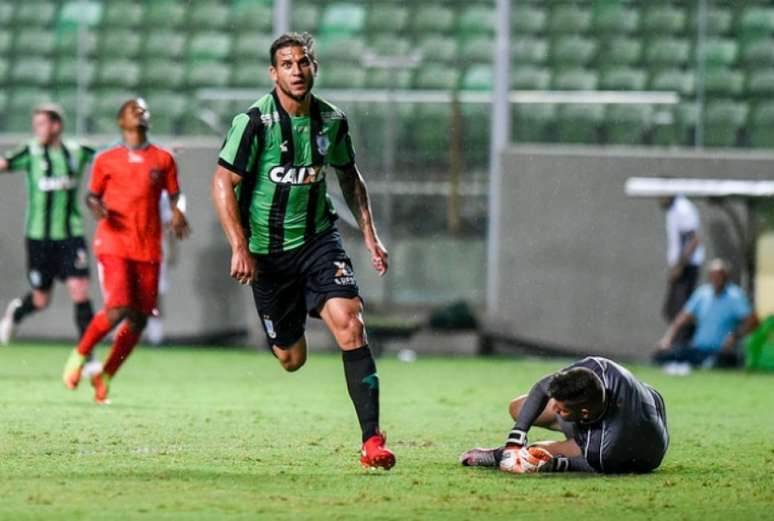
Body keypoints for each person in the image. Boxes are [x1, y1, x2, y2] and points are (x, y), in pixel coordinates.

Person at [211, 32, 395, 470]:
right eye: (288, 64)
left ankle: (372, 441)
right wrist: (239, 246)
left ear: (315, 67)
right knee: (291, 359)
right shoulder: (254, 122)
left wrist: (370, 235)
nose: (297, 71)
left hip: (317, 241)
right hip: (266, 254)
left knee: (351, 322)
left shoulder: (332, 121)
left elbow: (350, 178)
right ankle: (294, 325)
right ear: (274, 73)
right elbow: (222, 182)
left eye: (304, 62)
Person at [61, 98, 190, 404]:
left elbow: (175, 196)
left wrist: (178, 212)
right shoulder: (106, 158)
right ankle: (79, 356)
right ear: (121, 121)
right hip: (114, 242)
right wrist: (98, 208)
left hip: (148, 247)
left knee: (139, 319)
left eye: (145, 109)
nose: (140, 112)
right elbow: (92, 196)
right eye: (134, 109)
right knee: (118, 308)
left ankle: (104, 375)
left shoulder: (163, 159)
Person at [460, 356, 669, 474]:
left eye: (562, 409)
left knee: (535, 453)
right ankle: (517, 446)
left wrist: (553, 463)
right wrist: (517, 434)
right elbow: (544, 386)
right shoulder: (597, 368)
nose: (555, 410)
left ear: (584, 412)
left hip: (637, 449)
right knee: (518, 409)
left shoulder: (603, 448)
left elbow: (589, 464)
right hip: (644, 409)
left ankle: (494, 454)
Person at [0, 104, 96, 346]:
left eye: (42, 124)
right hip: (38, 238)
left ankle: (87, 356)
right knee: (41, 300)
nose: (37, 130)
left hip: (71, 235)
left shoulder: (77, 151)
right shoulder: (30, 152)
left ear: (56, 125)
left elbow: (112, 156)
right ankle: (16, 313)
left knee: (80, 289)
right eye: (35, 125)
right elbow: (4, 163)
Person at [655, 258, 758, 370]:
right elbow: (681, 319)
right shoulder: (702, 293)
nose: (716, 278)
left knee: (715, 363)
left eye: (720, 275)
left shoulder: (735, 296)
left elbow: (752, 322)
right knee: (662, 357)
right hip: (698, 349)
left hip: (721, 352)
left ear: (725, 276)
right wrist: (667, 339)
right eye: (713, 275)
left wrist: (735, 336)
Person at [660, 195, 705, 345]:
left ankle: (682, 350)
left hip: (687, 268)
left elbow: (694, 240)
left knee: (681, 312)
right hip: (682, 266)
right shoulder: (673, 210)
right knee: (671, 310)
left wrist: (680, 266)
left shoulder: (682, 208)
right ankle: (678, 348)